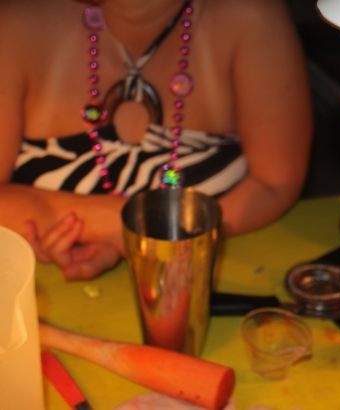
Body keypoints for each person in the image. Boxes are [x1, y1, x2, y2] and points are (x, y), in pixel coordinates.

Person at [0, 0, 312, 280]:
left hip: (212, 282)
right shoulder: (16, 22)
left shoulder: (250, 16)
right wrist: (126, 228)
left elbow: (274, 184)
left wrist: (140, 236)